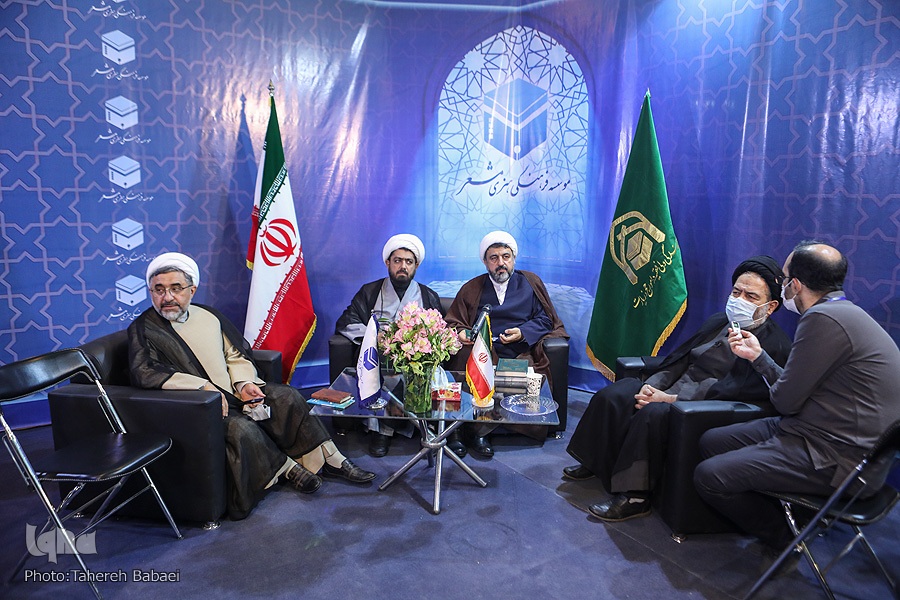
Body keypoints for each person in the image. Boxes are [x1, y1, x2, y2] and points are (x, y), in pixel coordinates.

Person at [694, 242, 900, 570]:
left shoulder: (822, 319)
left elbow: (784, 401)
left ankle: (787, 538)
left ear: (796, 285)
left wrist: (763, 366)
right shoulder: (843, 312)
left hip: (840, 460)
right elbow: (794, 391)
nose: (783, 283)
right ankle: (792, 517)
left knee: (708, 475)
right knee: (711, 441)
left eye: (785, 277)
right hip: (821, 433)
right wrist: (759, 357)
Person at [129, 252, 376, 521]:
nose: (167, 297)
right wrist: (202, 389)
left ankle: (330, 458)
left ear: (192, 289)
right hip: (197, 406)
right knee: (239, 427)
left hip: (233, 392)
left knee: (287, 397)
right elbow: (145, 372)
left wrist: (244, 383)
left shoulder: (209, 316)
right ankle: (287, 469)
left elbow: (234, 355)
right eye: (159, 290)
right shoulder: (144, 329)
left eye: (176, 288)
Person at [565, 256, 792, 522]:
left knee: (654, 413)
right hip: (671, 388)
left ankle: (635, 497)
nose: (739, 300)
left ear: (770, 306)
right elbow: (680, 360)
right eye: (736, 292)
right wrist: (651, 386)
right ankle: (594, 461)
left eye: (750, 296)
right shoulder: (719, 321)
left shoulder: (773, 346)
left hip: (701, 407)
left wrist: (670, 399)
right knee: (618, 392)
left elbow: (734, 391)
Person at [445, 231, 568, 457]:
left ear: (513, 258)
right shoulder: (472, 287)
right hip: (482, 348)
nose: (500, 263)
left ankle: (481, 432)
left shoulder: (530, 283)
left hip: (518, 349)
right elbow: (453, 321)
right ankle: (457, 431)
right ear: (485, 262)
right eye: (494, 258)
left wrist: (522, 332)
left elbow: (545, 319)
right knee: (465, 358)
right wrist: (462, 333)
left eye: (506, 257)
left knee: (524, 370)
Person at [335, 234, 446, 457]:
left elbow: (439, 330)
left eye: (408, 261)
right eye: (397, 261)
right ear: (388, 263)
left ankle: (414, 427)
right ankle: (381, 431)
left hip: (415, 357)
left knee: (428, 372)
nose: (403, 266)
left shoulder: (428, 295)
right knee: (379, 370)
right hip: (379, 355)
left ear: (416, 266)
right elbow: (348, 321)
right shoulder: (369, 291)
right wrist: (373, 336)